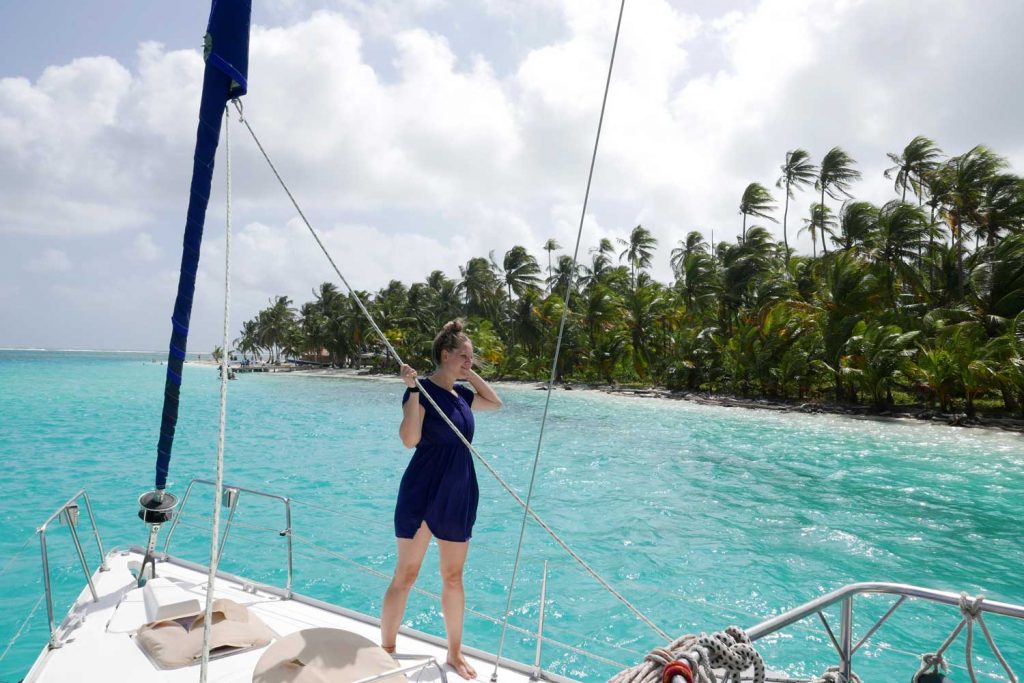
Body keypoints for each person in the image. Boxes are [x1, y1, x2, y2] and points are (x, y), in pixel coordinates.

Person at [380, 319, 502, 679]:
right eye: (463, 355)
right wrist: (412, 390)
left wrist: (469, 373)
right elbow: (409, 440)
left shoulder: (462, 396)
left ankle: (454, 653)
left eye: (471, 356)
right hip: (423, 489)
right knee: (406, 574)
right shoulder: (421, 391)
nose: (469, 361)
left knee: (453, 576)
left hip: (458, 491)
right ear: (444, 354)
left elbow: (495, 403)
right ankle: (387, 650)